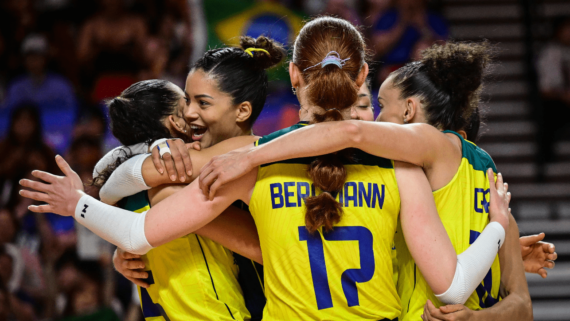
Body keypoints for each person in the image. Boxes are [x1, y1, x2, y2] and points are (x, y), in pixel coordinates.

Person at [21, 17, 510, 320]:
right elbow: (451, 284)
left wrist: (79, 202)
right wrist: (495, 230)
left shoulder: (252, 162)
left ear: (294, 76)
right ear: (363, 75)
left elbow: (136, 232)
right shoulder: (402, 167)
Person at [196, 41, 537, 320]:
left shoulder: (417, 156)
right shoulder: (490, 180)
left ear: (408, 112)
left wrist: (251, 154)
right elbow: (521, 303)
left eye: (378, 105)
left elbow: (351, 132)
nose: (371, 115)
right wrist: (492, 251)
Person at [91, 36, 285, 320]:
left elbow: (124, 177)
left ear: (242, 110)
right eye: (188, 100)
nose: (189, 113)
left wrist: (139, 228)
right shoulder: (181, 162)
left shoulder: (257, 151)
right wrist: (131, 241)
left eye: (203, 103)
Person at [536, 15, 570, 177]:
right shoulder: (550, 53)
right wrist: (563, 95)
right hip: (556, 101)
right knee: (550, 113)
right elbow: (546, 87)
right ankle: (545, 161)